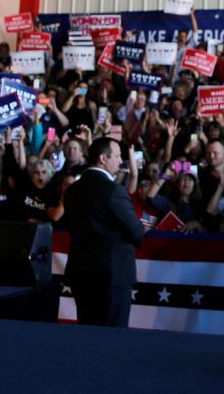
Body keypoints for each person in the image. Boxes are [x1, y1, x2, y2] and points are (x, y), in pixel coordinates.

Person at [63, 137, 144, 327]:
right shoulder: (113, 190)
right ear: (102, 158)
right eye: (116, 156)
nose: (120, 160)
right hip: (111, 276)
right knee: (112, 338)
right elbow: (136, 232)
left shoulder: (72, 191)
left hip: (81, 274)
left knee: (88, 332)